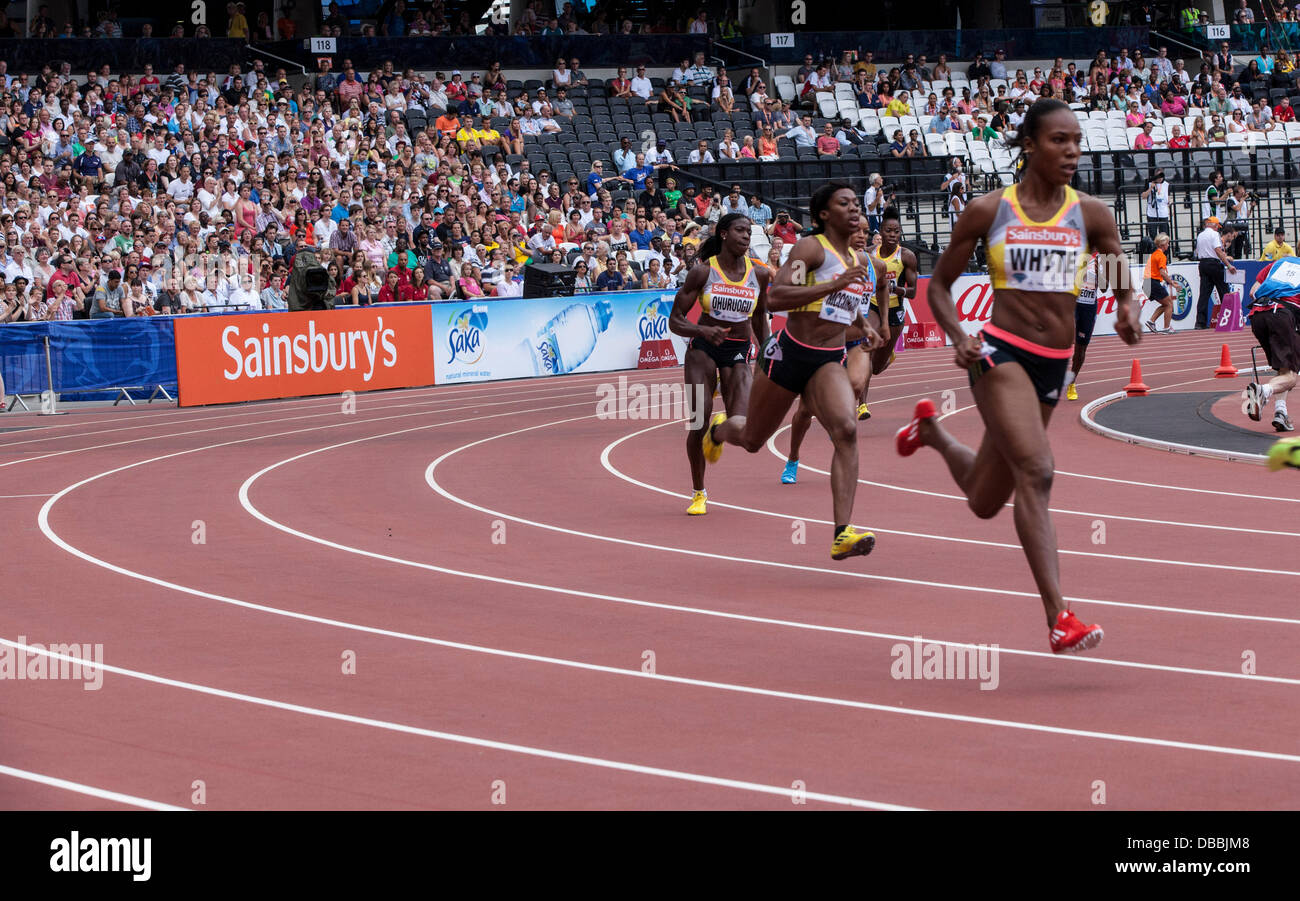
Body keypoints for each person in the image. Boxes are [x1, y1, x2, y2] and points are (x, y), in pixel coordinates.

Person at [895, 98, 1141, 654]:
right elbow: (938, 287)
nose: (1073, 150)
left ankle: (932, 433)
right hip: (998, 355)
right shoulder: (989, 211)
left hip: (1052, 365)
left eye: (1077, 140)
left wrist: (1127, 306)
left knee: (986, 500)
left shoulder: (1092, 214)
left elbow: (1119, 272)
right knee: (1038, 470)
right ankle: (1060, 616)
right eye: (1059, 140)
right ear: (1029, 145)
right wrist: (959, 335)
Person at [701, 182, 888, 560]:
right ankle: (720, 428)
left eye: (856, 203)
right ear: (823, 214)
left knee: (847, 430)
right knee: (753, 440)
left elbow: (844, 302)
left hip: (828, 359)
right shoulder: (811, 248)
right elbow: (777, 297)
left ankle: (841, 532)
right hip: (789, 354)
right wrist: (832, 284)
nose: (854, 209)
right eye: (844, 204)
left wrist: (864, 324)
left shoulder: (856, 258)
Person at [668, 213, 771, 516]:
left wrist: (766, 352)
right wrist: (702, 330)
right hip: (703, 349)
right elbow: (675, 320)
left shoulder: (760, 274)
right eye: (740, 231)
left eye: (749, 233)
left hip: (739, 351)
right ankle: (699, 492)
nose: (746, 237)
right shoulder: (703, 273)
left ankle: (719, 432)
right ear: (723, 234)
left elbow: (760, 320)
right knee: (699, 418)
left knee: (744, 427)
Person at [782, 225, 875, 483]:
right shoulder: (823, 260)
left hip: (855, 342)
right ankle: (793, 457)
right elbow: (792, 292)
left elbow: (877, 293)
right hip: (824, 345)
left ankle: (840, 431)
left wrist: (878, 325)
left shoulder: (870, 263)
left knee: (855, 386)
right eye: (856, 230)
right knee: (804, 412)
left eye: (866, 231)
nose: (861, 235)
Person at [855, 206, 917, 419]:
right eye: (888, 231)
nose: (892, 235)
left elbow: (913, 292)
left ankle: (888, 355)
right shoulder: (869, 253)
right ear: (880, 231)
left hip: (895, 311)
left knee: (877, 367)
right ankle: (862, 405)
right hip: (872, 306)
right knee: (866, 351)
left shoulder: (906, 256)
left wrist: (896, 289)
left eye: (896, 232)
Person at [1245, 256, 1300, 432]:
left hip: (1258, 314)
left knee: (1285, 367)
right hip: (1283, 315)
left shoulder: (1278, 263)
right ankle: (1263, 391)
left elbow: (1253, 292)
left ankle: (1280, 412)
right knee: (1291, 377)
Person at [1064, 252, 1111, 401]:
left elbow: (1103, 289)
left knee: (1081, 348)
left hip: (1088, 306)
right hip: (1071, 303)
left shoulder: (1101, 259)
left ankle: (1072, 382)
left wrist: (1099, 273)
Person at [1196, 216, 1238, 328]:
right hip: (1214, 264)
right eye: (1217, 227)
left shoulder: (1200, 235)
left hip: (1203, 264)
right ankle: (1228, 320)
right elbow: (1218, 250)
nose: (1217, 229)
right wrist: (1228, 265)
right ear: (1214, 225)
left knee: (1204, 295)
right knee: (1224, 292)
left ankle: (1200, 323)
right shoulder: (1214, 235)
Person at [1144, 233, 1177, 333]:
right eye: (1167, 243)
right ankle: (1166, 328)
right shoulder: (1161, 256)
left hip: (1147, 283)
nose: (1168, 245)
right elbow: (1162, 272)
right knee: (1169, 304)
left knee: (1165, 304)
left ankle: (1151, 321)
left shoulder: (1154, 254)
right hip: (1152, 282)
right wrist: (1171, 282)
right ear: (1163, 244)